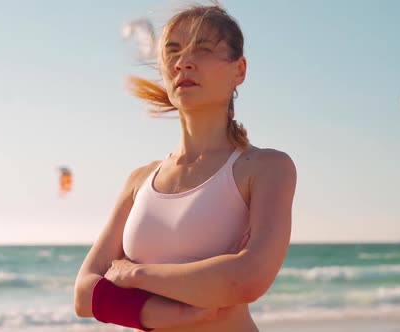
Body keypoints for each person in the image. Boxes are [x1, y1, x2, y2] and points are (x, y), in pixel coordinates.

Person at [74, 3, 297, 331]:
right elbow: (84, 294)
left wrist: (135, 275)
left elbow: (248, 278)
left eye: (203, 49)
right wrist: (178, 314)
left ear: (239, 70)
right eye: (173, 52)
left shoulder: (265, 168)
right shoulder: (139, 180)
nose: (183, 62)